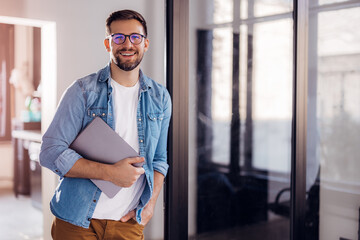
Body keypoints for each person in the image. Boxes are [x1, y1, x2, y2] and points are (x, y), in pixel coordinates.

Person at [39, 9, 171, 239]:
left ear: (146, 44)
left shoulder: (160, 97)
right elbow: (50, 152)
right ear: (108, 44)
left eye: (135, 37)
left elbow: (159, 160)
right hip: (76, 221)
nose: (127, 44)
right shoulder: (81, 91)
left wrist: (149, 206)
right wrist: (110, 173)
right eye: (118, 37)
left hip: (127, 223)